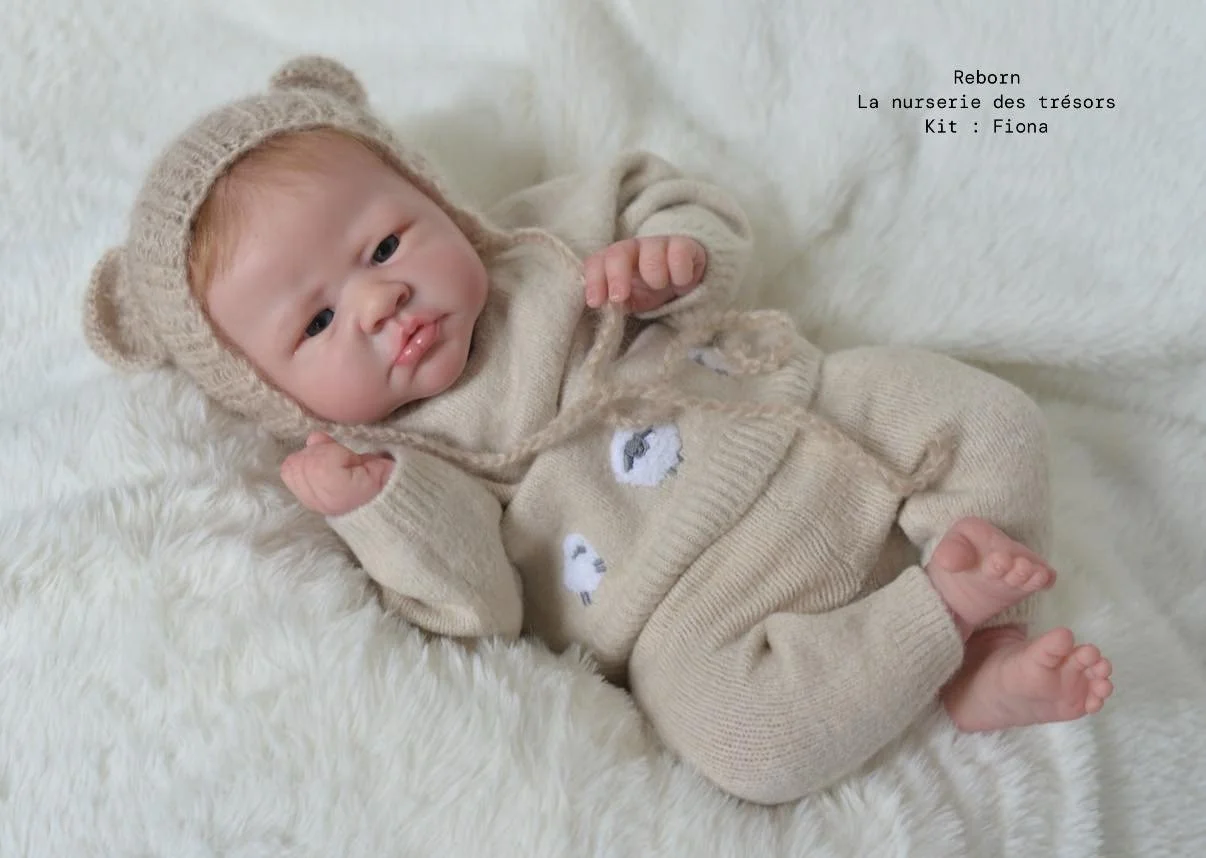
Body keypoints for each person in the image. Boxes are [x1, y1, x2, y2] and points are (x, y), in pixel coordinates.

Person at [83, 56, 1112, 804]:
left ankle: (992, 637)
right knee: (744, 742)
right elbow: (476, 609)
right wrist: (380, 506)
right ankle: (937, 627)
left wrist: (672, 256)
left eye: (386, 243)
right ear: (272, 395)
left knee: (985, 415)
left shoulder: (547, 242)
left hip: (814, 423)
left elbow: (671, 194)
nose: (379, 301)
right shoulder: (405, 462)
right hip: (686, 608)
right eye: (315, 324)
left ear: (435, 199)